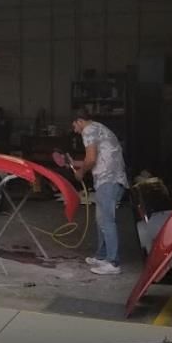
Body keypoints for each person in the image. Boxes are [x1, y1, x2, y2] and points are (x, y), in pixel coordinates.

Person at [71, 110, 129, 276]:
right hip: (112, 179)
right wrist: (74, 163)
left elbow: (90, 160)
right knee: (101, 219)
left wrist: (80, 172)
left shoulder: (88, 131)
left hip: (108, 180)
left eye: (75, 126)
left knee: (107, 220)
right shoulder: (99, 128)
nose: (75, 130)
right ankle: (102, 256)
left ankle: (113, 262)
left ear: (80, 121)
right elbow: (97, 157)